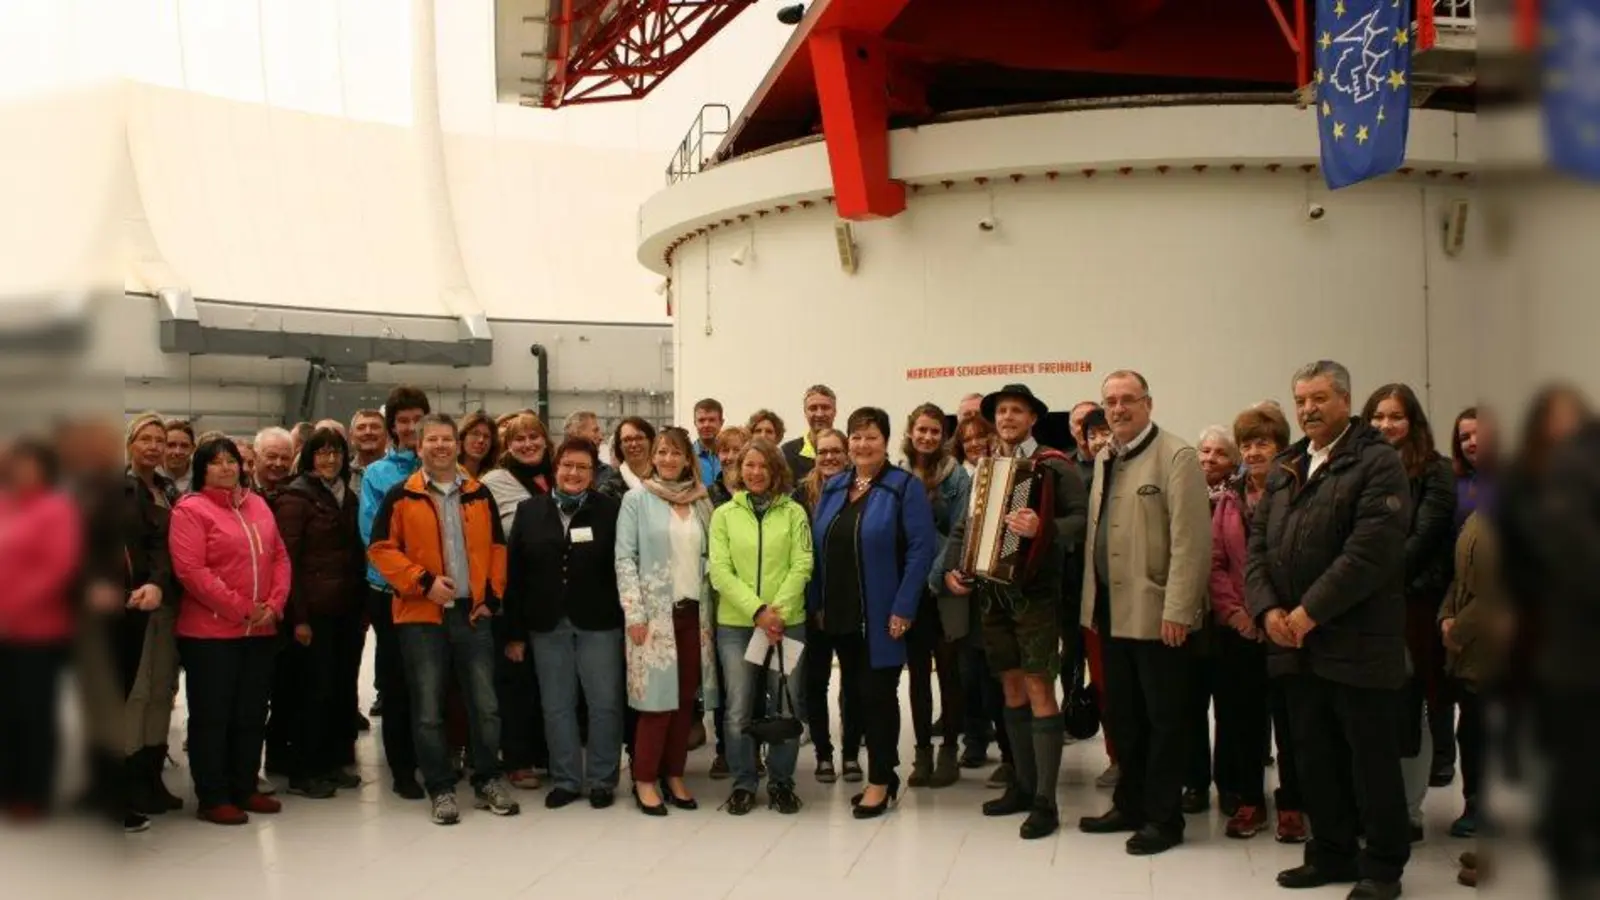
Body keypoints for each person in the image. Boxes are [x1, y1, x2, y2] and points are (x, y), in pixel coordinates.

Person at [1248, 360, 1411, 900]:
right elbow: (1258, 548)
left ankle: (1383, 867)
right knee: (1313, 756)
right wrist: (1269, 611)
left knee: (1369, 761)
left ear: (1345, 399)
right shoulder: (1289, 463)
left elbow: (1369, 552)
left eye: (1319, 398)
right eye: (1300, 400)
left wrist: (1307, 612)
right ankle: (1333, 852)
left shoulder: (1376, 461)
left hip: (1357, 641)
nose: (1307, 409)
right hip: (1296, 643)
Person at [941, 383, 1087, 840]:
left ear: (1032, 418)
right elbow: (967, 526)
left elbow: (1082, 521)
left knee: (1040, 685)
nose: (1006, 417)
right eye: (1001, 411)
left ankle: (1046, 800)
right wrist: (957, 569)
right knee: (1010, 686)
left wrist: (1042, 526)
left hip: (1037, 592)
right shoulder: (986, 466)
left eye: (1016, 411)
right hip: (992, 593)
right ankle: (1022, 786)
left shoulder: (1053, 465)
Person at [1078, 371, 1212, 856]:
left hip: (1158, 615)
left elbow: (1193, 543)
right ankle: (1129, 803)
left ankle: (1164, 817)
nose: (1118, 409)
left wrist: (1179, 609)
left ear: (1148, 404)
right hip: (1111, 613)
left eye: (1127, 400)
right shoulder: (1107, 456)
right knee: (1125, 717)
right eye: (1110, 401)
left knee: (1164, 720)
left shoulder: (1176, 457)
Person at [368, 412, 521, 825]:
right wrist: (422, 582)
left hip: (474, 617)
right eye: (431, 440)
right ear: (419, 447)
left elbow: (497, 548)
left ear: (457, 445)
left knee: (485, 706)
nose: (440, 446)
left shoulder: (478, 493)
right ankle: (440, 787)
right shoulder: (401, 495)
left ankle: (488, 778)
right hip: (422, 617)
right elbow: (381, 549)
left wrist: (491, 597)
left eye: (446, 440)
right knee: (428, 709)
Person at [810, 408, 939, 818]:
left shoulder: (904, 488)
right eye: (856, 437)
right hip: (840, 613)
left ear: (886, 441)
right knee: (855, 696)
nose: (862, 445)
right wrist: (817, 604)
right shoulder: (835, 487)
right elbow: (817, 547)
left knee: (878, 696)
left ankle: (881, 780)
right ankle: (882, 775)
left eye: (871, 437)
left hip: (883, 613)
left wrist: (904, 607)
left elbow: (922, 550)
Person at [169, 436, 291, 825]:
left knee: (251, 713)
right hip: (210, 635)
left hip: (258, 633)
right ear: (201, 468)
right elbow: (192, 572)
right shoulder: (191, 510)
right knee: (213, 716)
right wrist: (242, 609)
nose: (226, 468)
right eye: (216, 462)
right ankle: (213, 795)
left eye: (232, 461)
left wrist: (273, 605)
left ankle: (245, 786)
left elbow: (280, 556)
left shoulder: (257, 504)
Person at [504, 437, 626, 810]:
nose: (574, 473)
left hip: (600, 622)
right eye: (567, 465)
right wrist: (514, 633)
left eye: (583, 467)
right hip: (546, 623)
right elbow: (515, 576)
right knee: (556, 705)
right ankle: (567, 779)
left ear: (593, 473)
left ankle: (603, 779)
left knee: (604, 703)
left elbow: (622, 568)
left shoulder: (611, 511)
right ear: (555, 468)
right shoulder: (529, 511)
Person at [1363, 383, 1458, 838]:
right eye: (1377, 416)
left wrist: (1368, 578)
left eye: (1395, 416)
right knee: (1374, 713)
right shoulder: (1357, 468)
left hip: (1413, 604)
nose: (1385, 425)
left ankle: (1409, 811)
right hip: (1366, 607)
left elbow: (1423, 538)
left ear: (1413, 421)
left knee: (1412, 710)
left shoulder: (1438, 472)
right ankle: (1377, 806)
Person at [1209, 405, 1302, 841]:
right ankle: (1249, 800)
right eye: (1247, 443)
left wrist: (1274, 615)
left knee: (1290, 723)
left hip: (1287, 625)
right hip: (1240, 629)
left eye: (1263, 442)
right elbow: (1216, 563)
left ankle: (1293, 805)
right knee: (1242, 721)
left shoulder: (1297, 492)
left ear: (1280, 447)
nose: (1254, 451)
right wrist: (1236, 613)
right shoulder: (1227, 497)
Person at [615, 427, 719, 815]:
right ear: (653, 457)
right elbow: (625, 559)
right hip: (654, 617)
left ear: (687, 458)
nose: (669, 459)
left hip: (696, 614)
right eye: (662, 452)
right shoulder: (636, 500)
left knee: (683, 703)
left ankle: (674, 774)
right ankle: (644, 778)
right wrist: (635, 613)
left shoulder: (702, 501)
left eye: (676, 453)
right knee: (654, 702)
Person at [708, 437, 814, 815]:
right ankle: (743, 783)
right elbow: (719, 571)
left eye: (762, 466)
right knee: (737, 708)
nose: (755, 472)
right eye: (748, 465)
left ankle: (782, 783)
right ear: (739, 470)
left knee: (787, 704)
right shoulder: (724, 514)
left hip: (787, 625)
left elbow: (802, 564)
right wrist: (757, 611)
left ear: (775, 470)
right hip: (737, 626)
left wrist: (776, 613)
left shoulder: (794, 513)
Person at [271, 427, 367, 800]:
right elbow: (287, 562)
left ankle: (329, 764)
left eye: (336, 453)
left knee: (337, 691)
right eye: (322, 452)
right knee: (310, 693)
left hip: (344, 610)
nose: (330, 460)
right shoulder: (295, 498)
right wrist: (299, 618)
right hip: (312, 613)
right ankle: (303, 770)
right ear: (309, 457)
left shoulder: (348, 496)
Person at [0, 439, 82, 821]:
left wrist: (12, 610)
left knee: (32, 713)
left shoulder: (56, 508)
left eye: (30, 466)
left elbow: (57, 567)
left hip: (37, 630)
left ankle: (32, 791)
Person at [360, 386, 430, 798]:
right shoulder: (378, 475)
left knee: (433, 679)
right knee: (398, 682)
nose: (409, 428)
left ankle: (432, 756)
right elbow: (374, 535)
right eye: (402, 421)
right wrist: (413, 577)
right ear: (392, 427)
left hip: (436, 593)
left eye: (416, 419)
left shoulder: (443, 468)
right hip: (392, 593)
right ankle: (402, 767)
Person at [481, 411, 555, 790]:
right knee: (516, 680)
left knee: (550, 681)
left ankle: (547, 754)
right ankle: (518, 758)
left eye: (533, 437)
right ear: (507, 446)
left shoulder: (559, 475)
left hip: (553, 595)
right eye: (518, 439)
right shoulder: (495, 482)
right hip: (513, 595)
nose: (527, 444)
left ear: (545, 439)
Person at [901, 403, 971, 788]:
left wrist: (935, 572)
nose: (927, 437)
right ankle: (922, 753)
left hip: (945, 585)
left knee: (949, 672)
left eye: (935, 431)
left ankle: (949, 752)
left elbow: (962, 527)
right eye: (921, 429)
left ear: (944, 437)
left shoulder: (956, 475)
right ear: (911, 431)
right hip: (911, 588)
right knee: (917, 676)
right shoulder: (897, 474)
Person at [121, 413, 185, 818]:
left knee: (163, 691)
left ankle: (151, 774)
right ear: (130, 443)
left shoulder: (168, 489)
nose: (155, 446)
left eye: (160, 440)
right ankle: (126, 781)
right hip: (135, 605)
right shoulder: (119, 489)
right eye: (146, 438)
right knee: (136, 692)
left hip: (170, 604)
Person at [796, 427, 864, 784]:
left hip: (852, 604)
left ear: (847, 454)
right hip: (812, 605)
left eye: (836, 451)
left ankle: (851, 754)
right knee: (816, 683)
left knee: (853, 684)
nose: (829, 458)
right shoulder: (800, 496)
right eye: (823, 452)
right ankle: (824, 754)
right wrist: (813, 603)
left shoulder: (860, 492)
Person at [781, 384, 838, 480]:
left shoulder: (848, 450)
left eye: (825, 408)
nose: (819, 414)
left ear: (835, 411)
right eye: (813, 408)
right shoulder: (788, 452)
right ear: (805, 413)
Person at [598, 416, 657, 500]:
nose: (634, 444)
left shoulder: (667, 480)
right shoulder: (609, 491)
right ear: (619, 446)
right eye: (627, 440)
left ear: (651, 442)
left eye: (639, 438)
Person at [692, 398, 725, 487]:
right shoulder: (687, 456)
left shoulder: (731, 455)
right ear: (695, 423)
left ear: (721, 422)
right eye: (701, 420)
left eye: (711, 420)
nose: (706, 425)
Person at [457, 411, 499, 480]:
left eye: (486, 436)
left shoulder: (494, 478)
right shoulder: (448, 474)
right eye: (475, 434)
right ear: (462, 437)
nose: (481, 440)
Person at [162, 419, 196, 493]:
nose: (178, 452)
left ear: (193, 449)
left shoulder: (202, 478)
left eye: (184, 446)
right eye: (171, 445)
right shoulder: (150, 476)